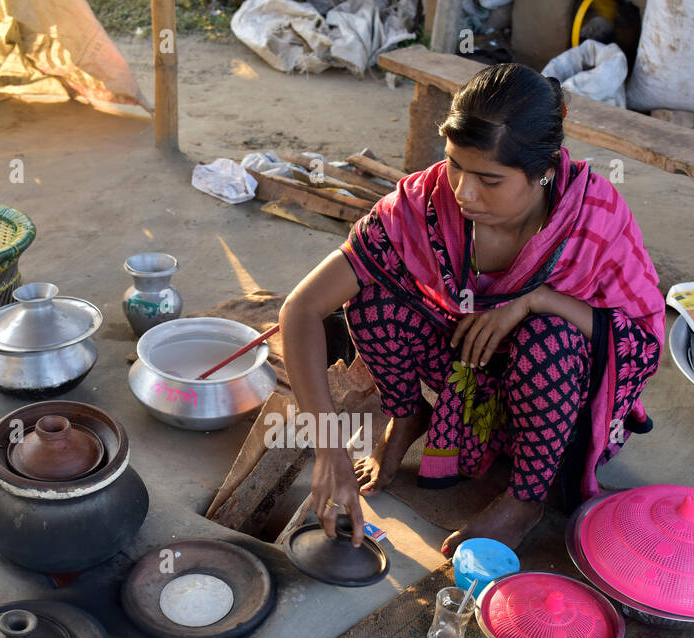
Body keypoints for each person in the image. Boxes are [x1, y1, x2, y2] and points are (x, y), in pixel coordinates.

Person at [278, 63, 664, 557]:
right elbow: (302, 309)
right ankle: (406, 415)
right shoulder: (424, 201)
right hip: (468, 370)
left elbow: (641, 344)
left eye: (489, 178)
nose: (462, 191)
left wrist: (536, 301)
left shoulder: (595, 217)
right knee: (371, 296)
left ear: (544, 171)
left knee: (548, 336)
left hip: (555, 395)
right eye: (455, 164)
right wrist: (329, 449)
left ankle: (526, 498)